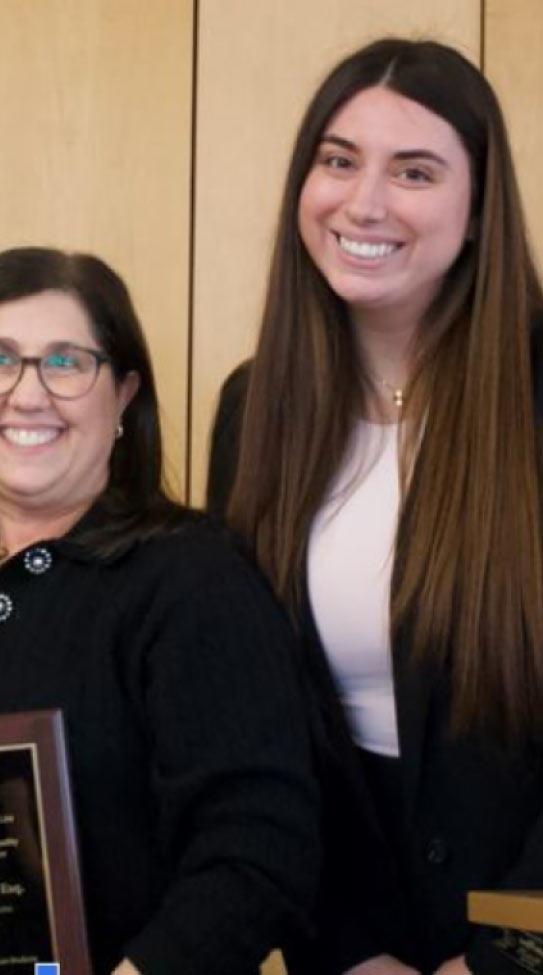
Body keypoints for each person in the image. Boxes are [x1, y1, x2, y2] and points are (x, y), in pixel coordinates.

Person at [0, 246, 318, 973]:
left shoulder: (194, 579)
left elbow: (261, 847)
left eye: (67, 363)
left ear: (124, 395)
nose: (28, 394)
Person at [207, 38, 543, 975]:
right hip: (347, 929)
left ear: (479, 212)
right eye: (338, 160)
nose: (364, 203)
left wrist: (503, 958)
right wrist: (348, 949)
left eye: (414, 171)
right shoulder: (253, 408)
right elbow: (262, 717)